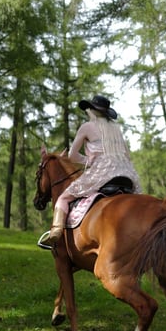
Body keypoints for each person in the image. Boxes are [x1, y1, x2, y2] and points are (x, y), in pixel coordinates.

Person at [44, 95, 142, 243]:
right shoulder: (116, 128)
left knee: (63, 198)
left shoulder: (87, 127)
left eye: (89, 108)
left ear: (93, 111)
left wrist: (89, 161)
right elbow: (127, 156)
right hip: (128, 175)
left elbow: (72, 155)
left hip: (104, 173)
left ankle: (56, 233)